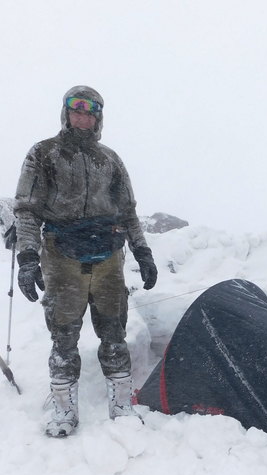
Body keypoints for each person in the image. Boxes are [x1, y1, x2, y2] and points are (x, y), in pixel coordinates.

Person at [13, 85, 158, 437]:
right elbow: (27, 209)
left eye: (90, 111)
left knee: (114, 330)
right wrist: (29, 256)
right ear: (66, 112)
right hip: (62, 255)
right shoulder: (44, 154)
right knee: (63, 334)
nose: (83, 116)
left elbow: (128, 212)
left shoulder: (110, 159)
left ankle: (122, 403)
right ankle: (63, 408)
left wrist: (142, 251)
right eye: (76, 109)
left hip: (108, 255)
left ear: (98, 117)